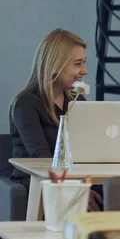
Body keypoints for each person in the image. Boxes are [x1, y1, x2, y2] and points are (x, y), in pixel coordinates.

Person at [9, 29, 102, 210]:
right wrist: (77, 189)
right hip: (37, 181)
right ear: (54, 66)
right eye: (77, 64)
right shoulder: (26, 103)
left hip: (70, 177)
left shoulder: (77, 100)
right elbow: (41, 158)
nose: (84, 70)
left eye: (84, 63)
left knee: (114, 191)